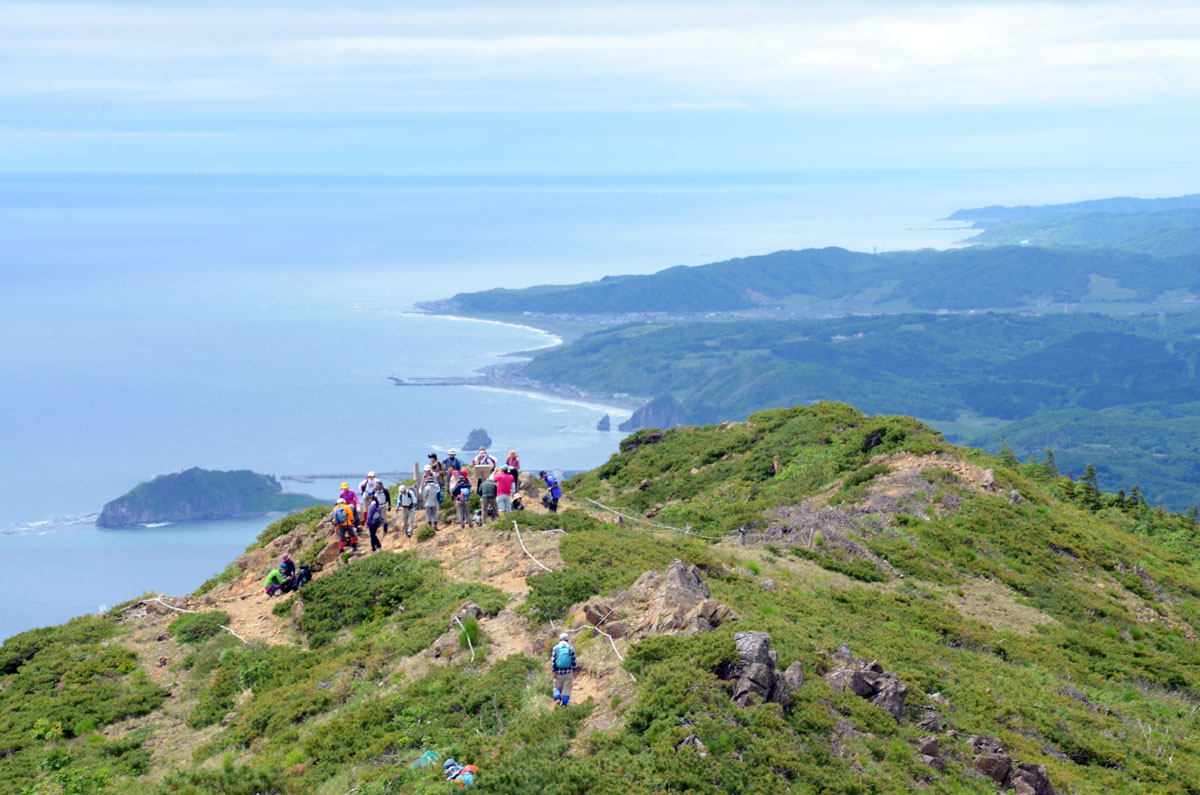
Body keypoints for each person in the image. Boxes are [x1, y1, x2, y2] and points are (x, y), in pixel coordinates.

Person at [550, 631, 577, 706]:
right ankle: (564, 705)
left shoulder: (556, 648)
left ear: (560, 640)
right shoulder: (570, 648)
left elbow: (553, 661)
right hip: (568, 673)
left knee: (556, 688)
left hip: (558, 672)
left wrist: (554, 671)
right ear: (568, 640)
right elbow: (574, 661)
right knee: (567, 689)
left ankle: (557, 698)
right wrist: (575, 672)